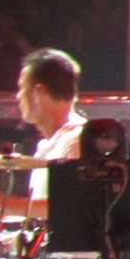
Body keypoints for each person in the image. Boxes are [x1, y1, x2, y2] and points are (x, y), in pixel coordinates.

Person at [18, 46, 83, 215]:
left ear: (39, 92)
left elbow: (64, 208)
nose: (18, 96)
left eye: (22, 89)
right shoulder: (49, 144)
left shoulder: (75, 143)